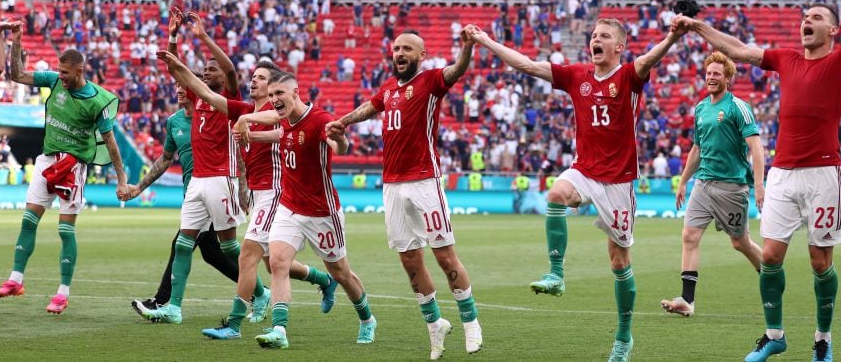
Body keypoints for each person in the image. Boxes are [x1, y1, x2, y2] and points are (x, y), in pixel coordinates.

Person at [673, 0, 841, 362]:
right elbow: (737, 49)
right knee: (770, 256)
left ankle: (823, 340)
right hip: (784, 174)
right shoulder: (786, 58)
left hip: (823, 172)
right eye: (804, 17)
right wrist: (696, 26)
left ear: (832, 30)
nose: (805, 21)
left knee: (819, 260)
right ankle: (774, 335)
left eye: (815, 19)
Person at [466, 18, 686, 362]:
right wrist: (485, 41)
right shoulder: (576, 76)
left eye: (605, 36)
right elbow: (526, 64)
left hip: (618, 181)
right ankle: (556, 273)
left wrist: (672, 36)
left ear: (619, 48)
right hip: (584, 169)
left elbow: (649, 60)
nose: (596, 40)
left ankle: (624, 338)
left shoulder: (628, 76)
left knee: (619, 260)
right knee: (556, 194)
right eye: (594, 35)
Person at [152, 54, 339, 339]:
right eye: (253, 77)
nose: (253, 80)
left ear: (275, 88)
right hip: (256, 193)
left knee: (248, 255)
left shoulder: (281, 113)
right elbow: (202, 91)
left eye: (261, 78)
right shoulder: (243, 109)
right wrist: (176, 63)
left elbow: (278, 125)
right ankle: (323, 279)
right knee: (269, 260)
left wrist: (248, 120)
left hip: (276, 193)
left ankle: (235, 324)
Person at [327, 30, 482, 359]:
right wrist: (341, 122)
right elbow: (368, 109)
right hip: (392, 184)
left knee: (444, 255)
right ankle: (435, 325)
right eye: (396, 48)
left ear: (421, 55)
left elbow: (456, 70)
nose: (399, 53)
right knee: (410, 260)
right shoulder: (387, 87)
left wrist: (466, 48)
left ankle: (470, 323)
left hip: (425, 180)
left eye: (407, 49)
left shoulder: (430, 81)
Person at [0, 21, 127, 314]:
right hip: (46, 159)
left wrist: (121, 178)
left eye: (65, 72)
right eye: (59, 71)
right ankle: (16, 280)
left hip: (73, 166)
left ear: (80, 70)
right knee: (28, 221)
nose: (60, 77)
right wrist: (16, 40)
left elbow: (111, 142)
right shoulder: (53, 81)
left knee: (65, 230)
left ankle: (62, 293)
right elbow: (17, 75)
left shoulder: (97, 101)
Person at [234, 72, 376, 350]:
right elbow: (278, 129)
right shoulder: (285, 118)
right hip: (289, 207)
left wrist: (343, 139)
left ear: (296, 92)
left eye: (279, 94)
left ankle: (367, 319)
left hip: (323, 213)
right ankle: (279, 329)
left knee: (340, 272)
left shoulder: (320, 120)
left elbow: (340, 146)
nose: (274, 100)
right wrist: (248, 124)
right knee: (277, 262)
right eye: (271, 95)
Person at [138, 9, 245, 324]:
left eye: (212, 69)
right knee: (183, 243)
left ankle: (259, 291)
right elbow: (175, 69)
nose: (208, 71)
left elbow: (229, 68)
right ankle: (171, 307)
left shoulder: (230, 98)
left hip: (221, 180)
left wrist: (202, 37)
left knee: (228, 249)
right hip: (198, 182)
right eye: (205, 69)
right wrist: (172, 37)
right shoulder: (198, 100)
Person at [661, 51, 766, 317]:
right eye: (708, 73)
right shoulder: (700, 108)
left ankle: (772, 273)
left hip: (732, 187)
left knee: (740, 243)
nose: (711, 77)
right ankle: (687, 300)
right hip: (703, 183)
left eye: (717, 74)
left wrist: (759, 185)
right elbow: (697, 148)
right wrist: (684, 181)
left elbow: (756, 147)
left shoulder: (738, 107)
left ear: (728, 78)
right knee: (689, 236)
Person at [128, 84, 240, 315]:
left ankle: (160, 302)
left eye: (184, 87)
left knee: (181, 244)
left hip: (215, 191)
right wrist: (139, 187)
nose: (179, 91)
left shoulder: (213, 116)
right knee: (213, 254)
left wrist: (244, 189)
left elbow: (238, 152)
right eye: (177, 86)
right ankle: (259, 292)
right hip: (193, 196)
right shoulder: (174, 121)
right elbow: (166, 159)